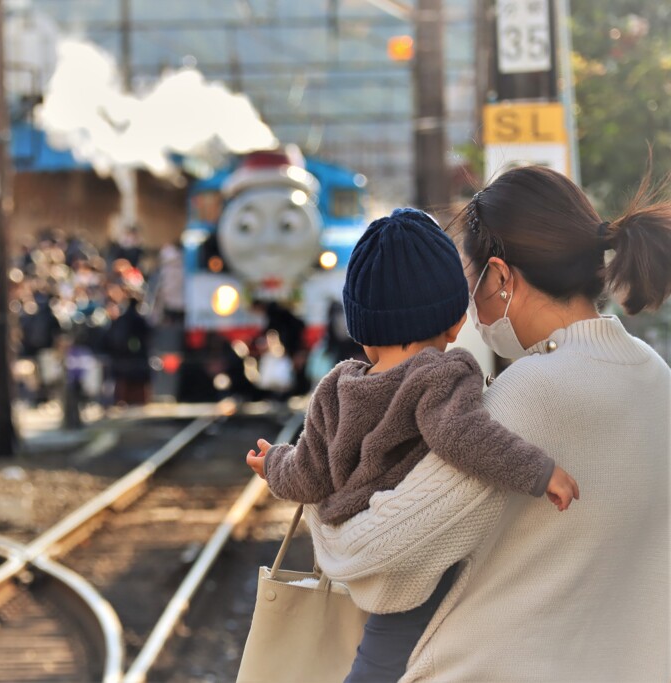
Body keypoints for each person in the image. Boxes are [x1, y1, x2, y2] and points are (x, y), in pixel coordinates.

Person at [258, 166, 670, 681]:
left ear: (499, 277)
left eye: (472, 284)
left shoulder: (529, 395)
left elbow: (374, 562)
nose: (470, 312)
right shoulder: (656, 376)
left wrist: (322, 493)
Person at [246, 208, 580, 681]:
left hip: (353, 556)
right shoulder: (438, 376)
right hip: (415, 566)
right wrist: (540, 471)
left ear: (361, 331)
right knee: (387, 661)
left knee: (377, 648)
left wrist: (271, 463)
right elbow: (466, 437)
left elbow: (307, 474)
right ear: (452, 324)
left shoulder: (336, 386)